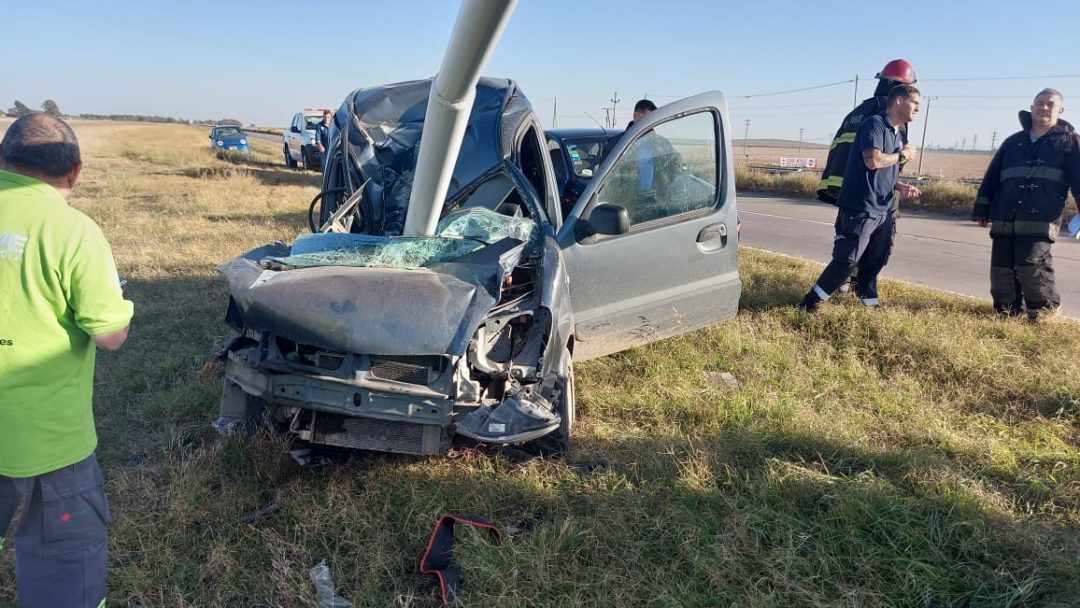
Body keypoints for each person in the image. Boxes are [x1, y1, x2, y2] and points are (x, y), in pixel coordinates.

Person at [0, 113, 133, 607]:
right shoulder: (73, 231)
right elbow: (110, 336)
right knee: (65, 570)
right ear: (74, 172)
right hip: (49, 439)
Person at [797, 85, 923, 312]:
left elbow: (884, 169)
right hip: (861, 206)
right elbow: (872, 161)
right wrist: (902, 155)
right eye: (915, 103)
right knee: (848, 260)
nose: (918, 109)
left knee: (876, 258)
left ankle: (869, 303)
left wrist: (899, 185)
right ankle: (809, 304)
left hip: (882, 209)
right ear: (898, 101)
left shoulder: (896, 133)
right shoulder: (874, 124)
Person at [971, 89, 1080, 321]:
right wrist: (982, 207)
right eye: (1039, 103)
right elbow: (992, 177)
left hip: (1041, 218)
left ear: (1060, 110)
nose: (1044, 107)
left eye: (1050, 104)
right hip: (1005, 217)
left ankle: (1044, 315)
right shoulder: (1013, 142)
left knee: (1032, 265)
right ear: (1031, 108)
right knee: (1001, 268)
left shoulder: (1070, 143)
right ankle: (1007, 313)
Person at [818, 59, 917, 204]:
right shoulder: (890, 111)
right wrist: (905, 156)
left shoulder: (857, 112)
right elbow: (889, 154)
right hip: (871, 193)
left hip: (844, 188)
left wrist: (898, 184)